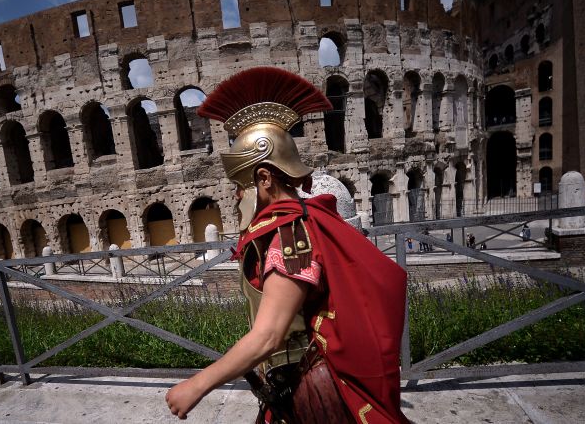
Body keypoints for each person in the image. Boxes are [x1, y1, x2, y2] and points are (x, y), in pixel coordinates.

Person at [165, 68, 408, 423]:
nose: (235, 196)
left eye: (239, 184)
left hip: (306, 395)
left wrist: (196, 385)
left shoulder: (290, 235)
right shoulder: (290, 224)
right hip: (287, 387)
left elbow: (268, 336)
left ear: (264, 177)